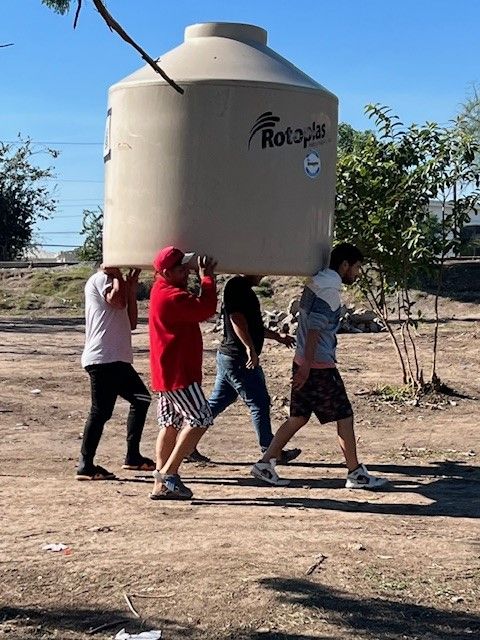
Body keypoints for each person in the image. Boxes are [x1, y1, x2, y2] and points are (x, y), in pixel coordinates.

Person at [251, 243, 388, 490]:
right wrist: (307, 367)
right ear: (344, 265)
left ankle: (265, 464)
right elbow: (314, 330)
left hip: (304, 362)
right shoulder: (329, 292)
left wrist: (302, 365)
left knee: (298, 418)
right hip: (318, 367)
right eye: (356, 267)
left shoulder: (316, 283)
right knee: (344, 416)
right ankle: (355, 473)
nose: (356, 274)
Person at [189, 274, 301, 463]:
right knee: (259, 402)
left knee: (218, 402)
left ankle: (186, 444)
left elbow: (253, 325)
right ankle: (271, 450)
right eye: (260, 271)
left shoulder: (242, 288)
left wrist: (278, 337)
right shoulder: (237, 286)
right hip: (238, 358)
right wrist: (249, 347)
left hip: (230, 358)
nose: (263, 275)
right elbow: (237, 318)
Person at [149, 246, 217, 500]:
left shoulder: (161, 290)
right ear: (167, 272)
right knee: (200, 418)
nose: (186, 272)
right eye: (181, 269)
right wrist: (207, 279)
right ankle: (169, 474)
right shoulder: (172, 297)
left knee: (170, 425)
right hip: (178, 373)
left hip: (166, 372)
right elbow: (206, 309)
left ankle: (160, 482)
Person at [77, 266, 153, 481]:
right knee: (100, 411)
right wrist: (119, 277)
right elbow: (116, 302)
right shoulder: (101, 279)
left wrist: (130, 287)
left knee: (141, 399)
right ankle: (85, 464)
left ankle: (132, 457)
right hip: (103, 358)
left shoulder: (115, 282)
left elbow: (131, 322)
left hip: (115, 359)